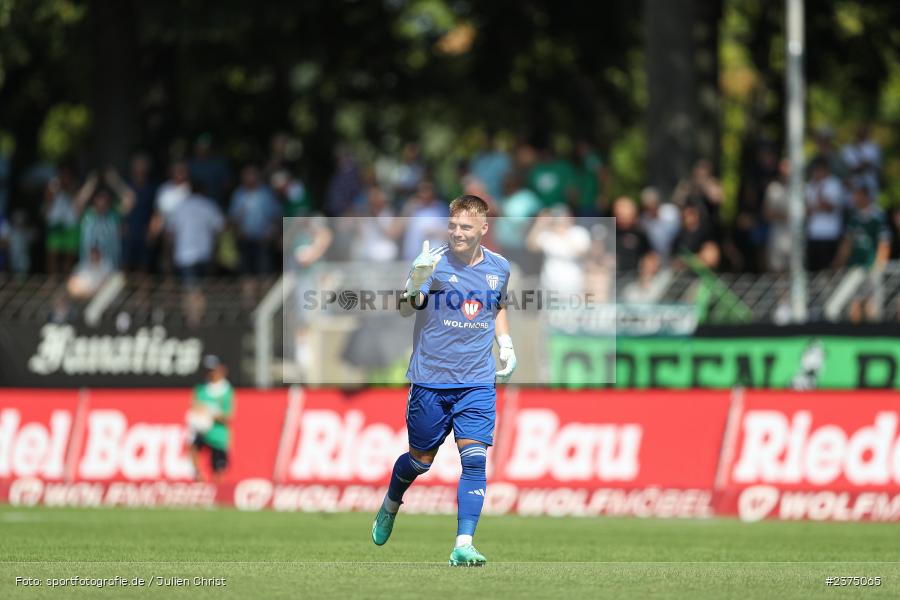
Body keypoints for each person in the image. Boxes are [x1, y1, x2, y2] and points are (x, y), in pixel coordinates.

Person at [372, 195, 515, 567]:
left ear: (484, 228)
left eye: (466, 227)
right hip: (430, 381)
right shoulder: (431, 261)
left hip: (477, 381)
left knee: (475, 460)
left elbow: (496, 305)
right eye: (453, 225)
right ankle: (391, 503)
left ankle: (463, 543)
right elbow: (406, 310)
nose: (457, 233)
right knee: (420, 461)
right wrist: (415, 283)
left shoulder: (500, 267)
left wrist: (506, 342)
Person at [833, 183, 891, 323]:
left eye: (857, 195)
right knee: (854, 301)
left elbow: (884, 244)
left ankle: (875, 336)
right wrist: (838, 263)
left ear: (865, 196)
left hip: (872, 267)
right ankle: (855, 335)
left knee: (872, 305)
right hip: (856, 267)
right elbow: (847, 243)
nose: (854, 198)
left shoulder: (878, 217)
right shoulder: (854, 218)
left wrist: (879, 266)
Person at [186, 355, 235, 484]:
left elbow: (227, 416)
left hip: (218, 435)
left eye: (212, 369)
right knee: (193, 447)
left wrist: (209, 413)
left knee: (218, 468)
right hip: (202, 432)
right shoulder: (201, 388)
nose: (209, 373)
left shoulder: (226, 391)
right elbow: (196, 407)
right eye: (207, 370)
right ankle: (198, 477)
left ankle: (218, 495)